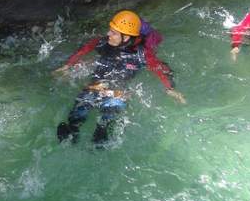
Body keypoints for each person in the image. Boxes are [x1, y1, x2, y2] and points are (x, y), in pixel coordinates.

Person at [54, 10, 186, 144]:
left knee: (106, 120)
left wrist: (170, 89)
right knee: (78, 114)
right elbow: (85, 48)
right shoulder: (102, 43)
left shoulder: (142, 54)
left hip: (118, 92)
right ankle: (73, 131)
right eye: (110, 30)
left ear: (126, 37)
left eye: (113, 32)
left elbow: (161, 69)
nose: (108, 34)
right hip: (95, 87)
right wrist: (67, 66)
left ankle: (101, 135)